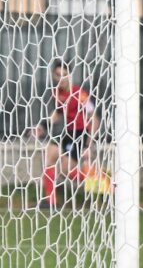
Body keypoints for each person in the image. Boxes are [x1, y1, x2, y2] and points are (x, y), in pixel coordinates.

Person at [31, 59, 100, 211]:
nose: (61, 78)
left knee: (65, 171)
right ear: (54, 76)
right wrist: (43, 126)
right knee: (49, 155)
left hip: (80, 134)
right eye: (58, 75)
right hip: (67, 132)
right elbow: (58, 112)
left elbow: (94, 118)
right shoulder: (56, 92)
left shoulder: (80, 94)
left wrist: (89, 145)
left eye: (64, 74)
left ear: (69, 75)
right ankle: (51, 201)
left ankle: (98, 179)